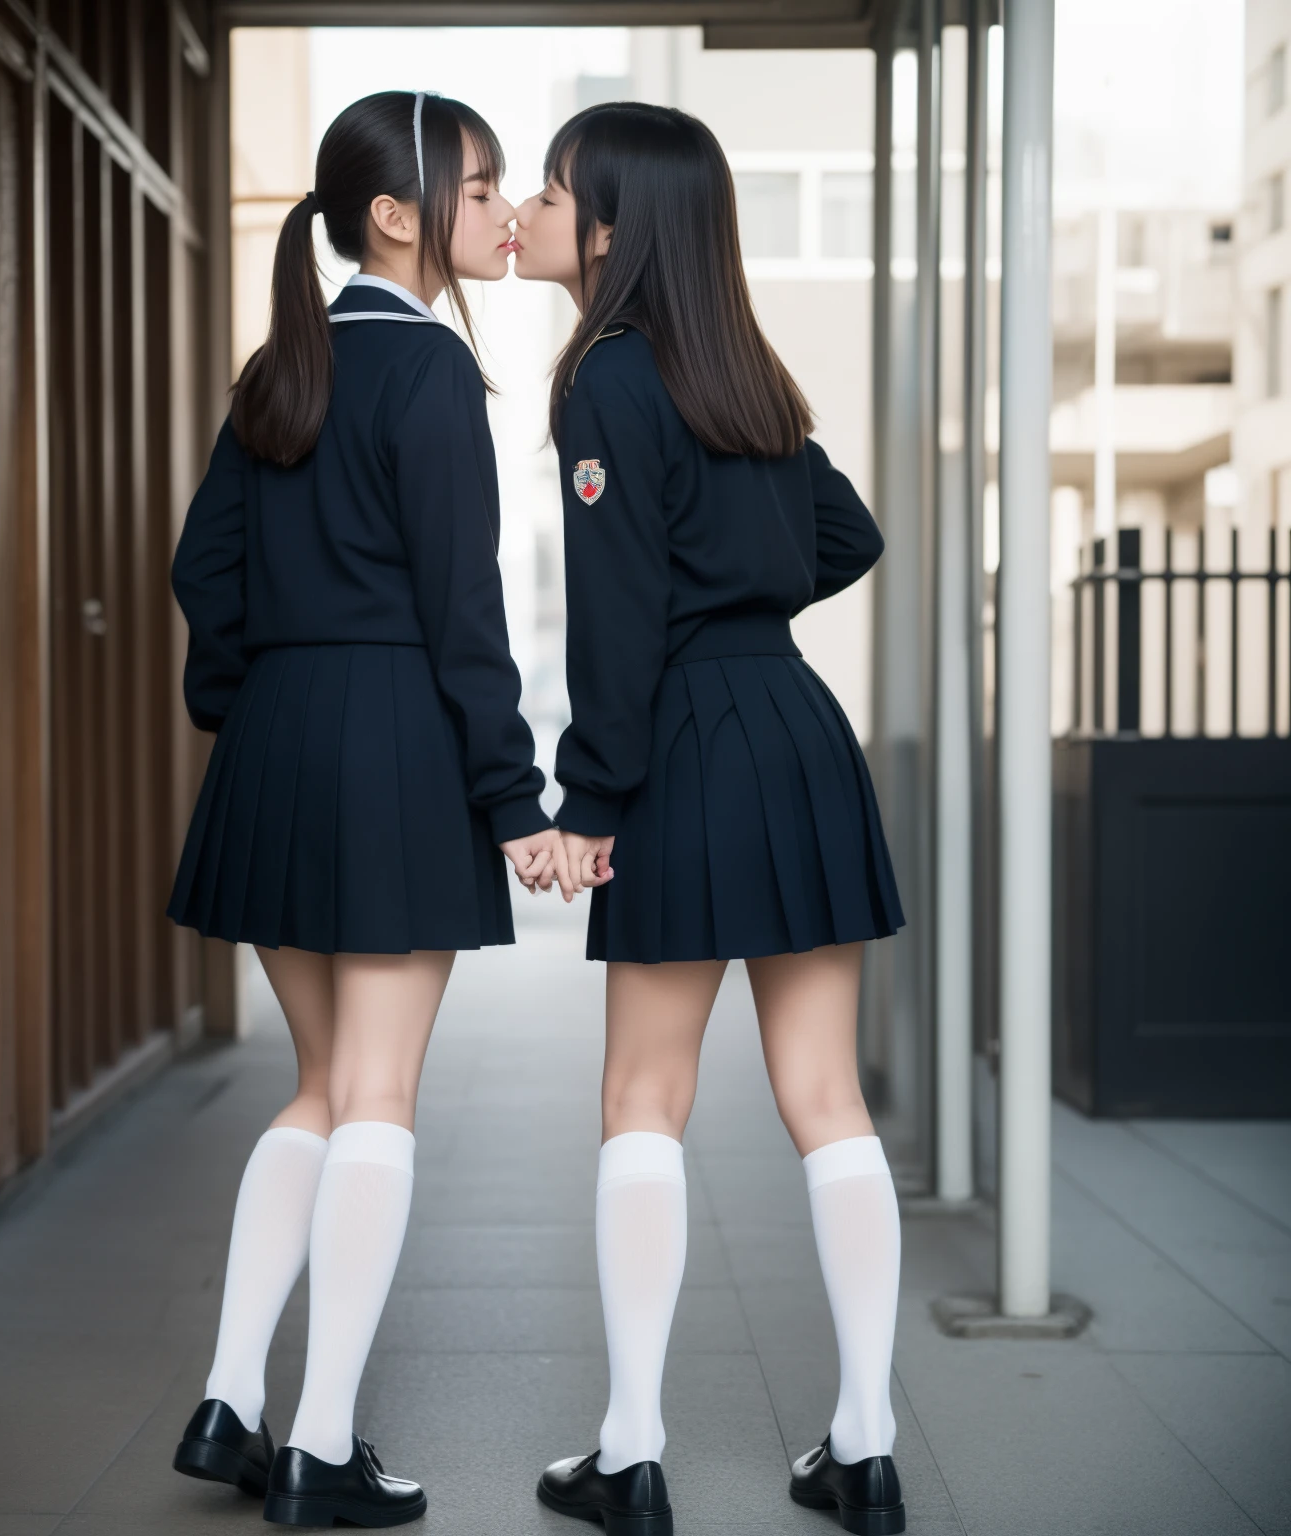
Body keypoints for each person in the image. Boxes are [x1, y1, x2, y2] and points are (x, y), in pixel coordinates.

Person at [166, 90, 560, 1529]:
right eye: (479, 187)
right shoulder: (435, 377)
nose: (497, 209)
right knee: (377, 1096)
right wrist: (514, 800)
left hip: (275, 748)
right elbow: (468, 618)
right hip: (395, 747)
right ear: (398, 213)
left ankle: (231, 1401)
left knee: (322, 1090)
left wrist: (245, 707)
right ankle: (321, 1447)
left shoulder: (282, 366)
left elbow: (204, 572)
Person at [513, 102, 907, 1536]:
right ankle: (864, 1450)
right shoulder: (744, 370)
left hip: (681, 741)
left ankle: (632, 1454)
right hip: (798, 734)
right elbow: (845, 534)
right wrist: (744, 604)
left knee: (643, 1101)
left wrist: (589, 800)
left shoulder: (607, 383)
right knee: (827, 1101)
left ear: (610, 227)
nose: (535, 214)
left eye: (554, 193)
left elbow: (617, 623)